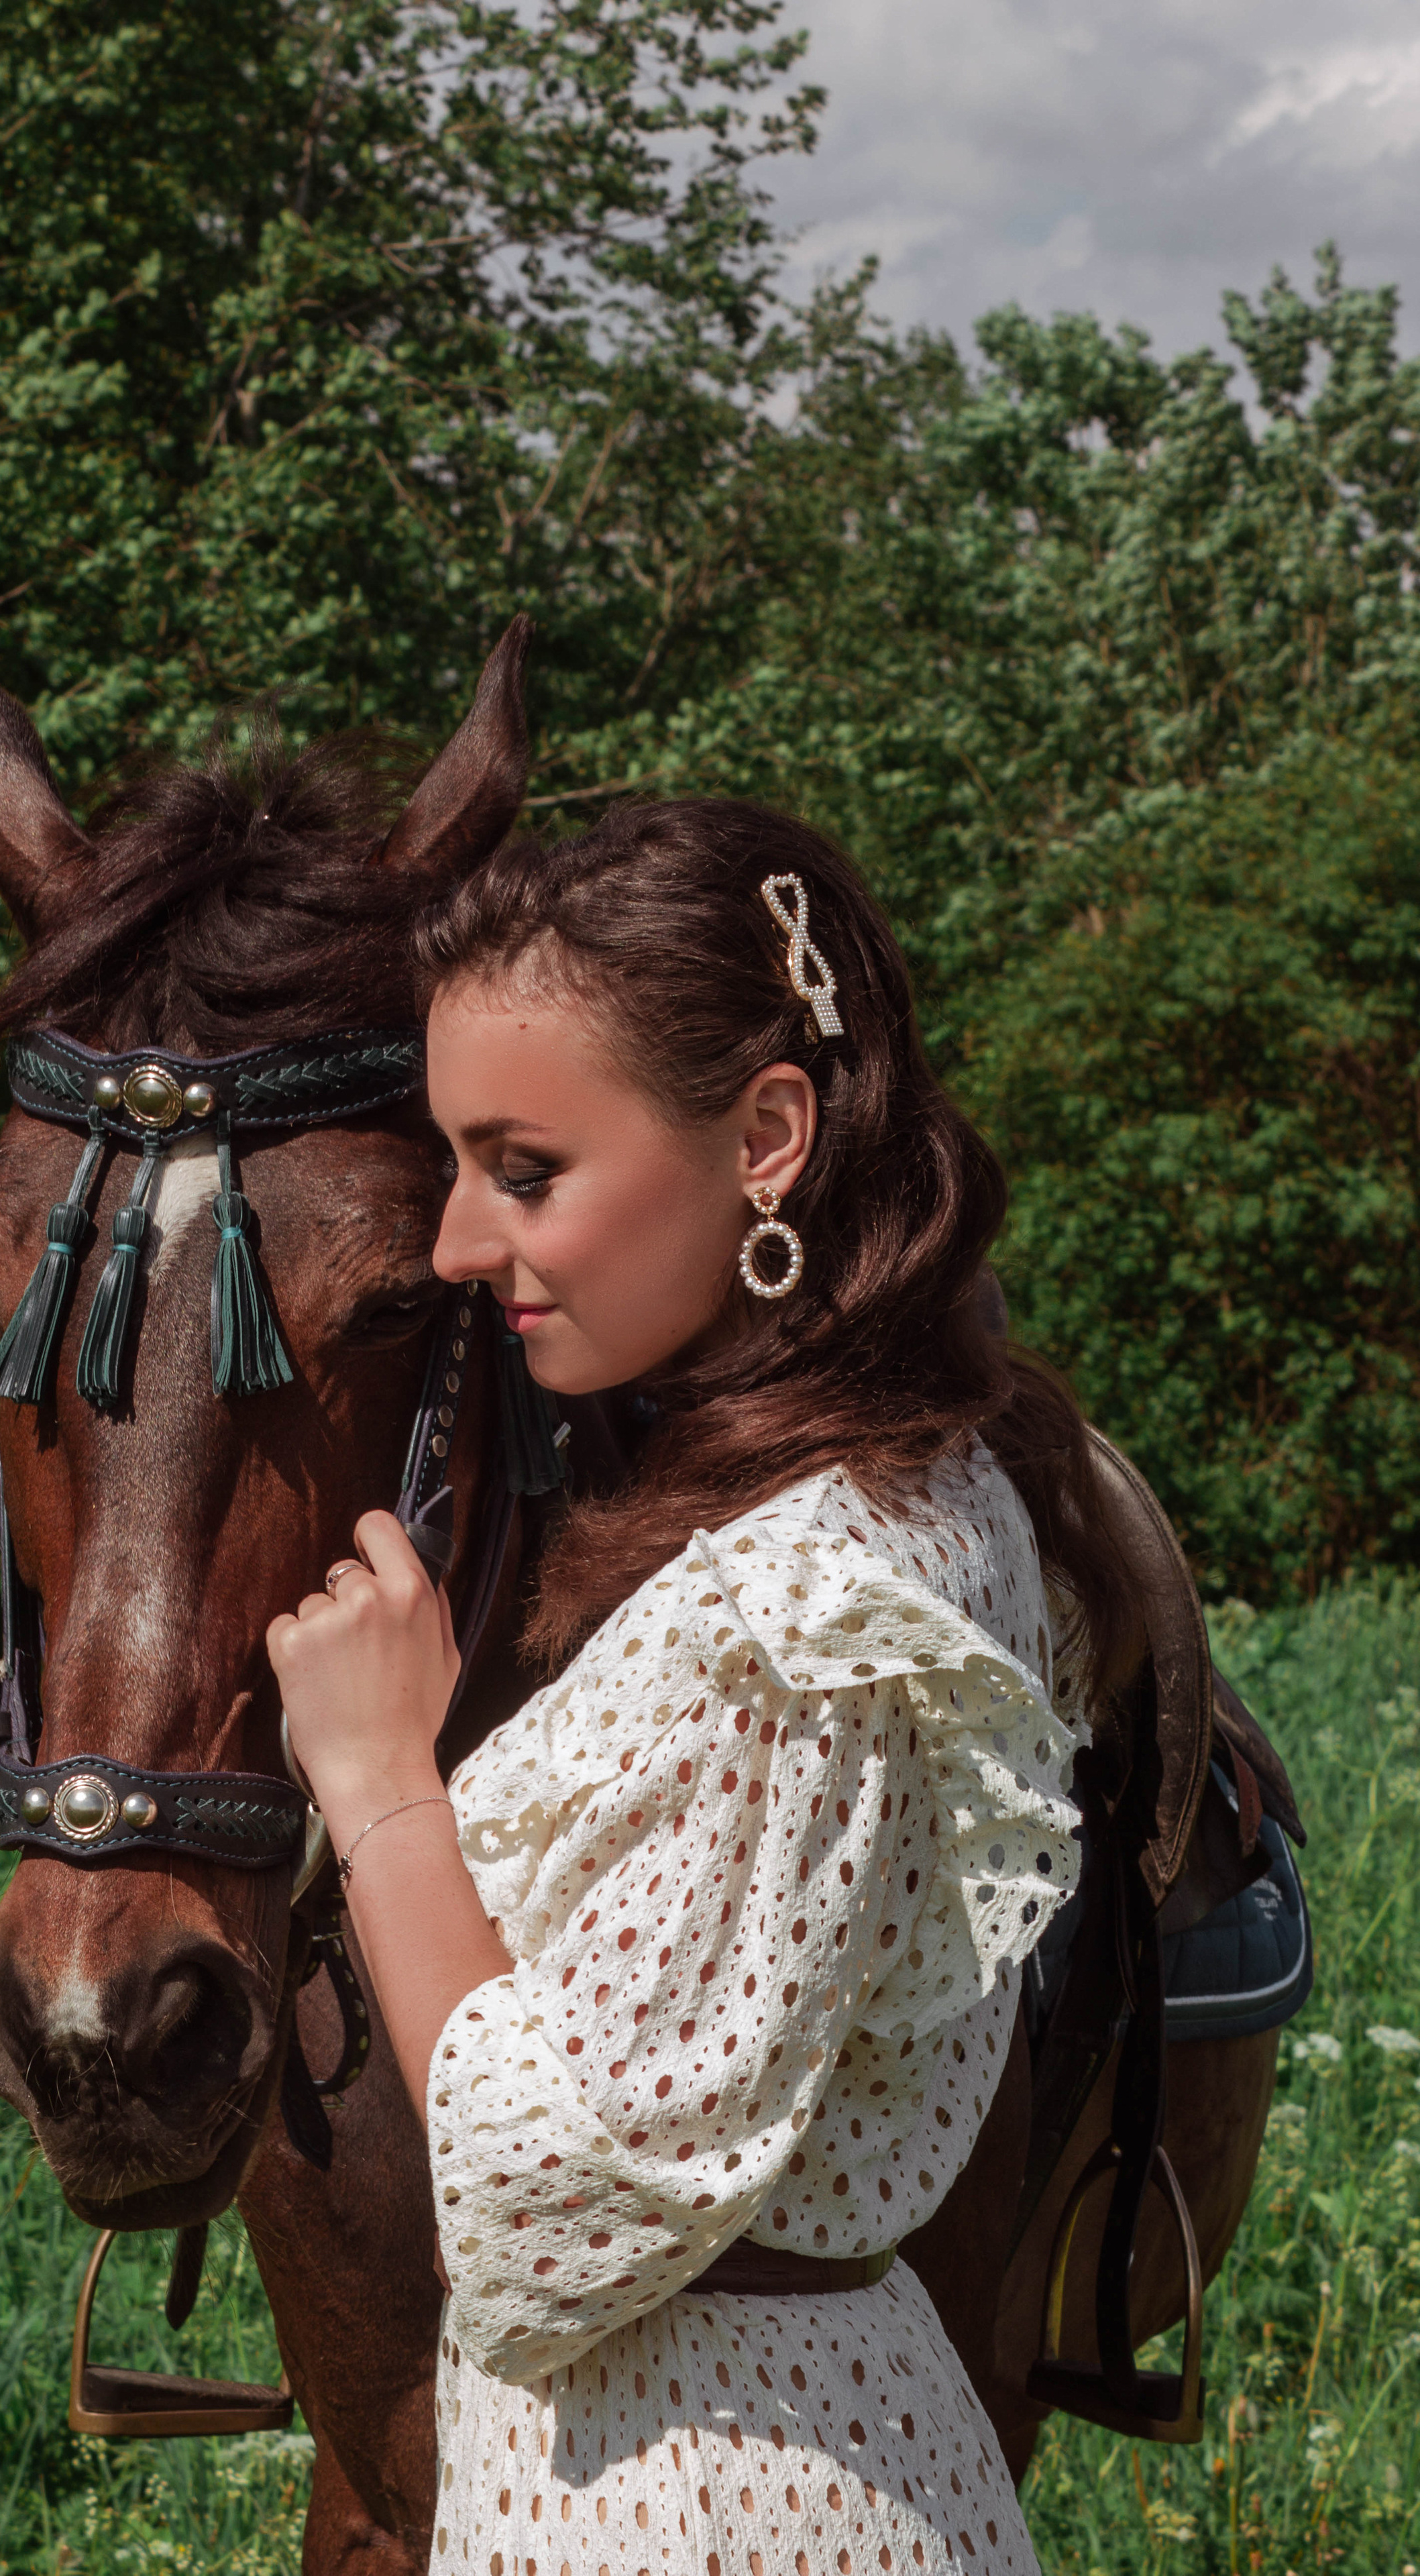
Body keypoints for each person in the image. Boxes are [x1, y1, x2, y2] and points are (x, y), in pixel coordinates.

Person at [268, 796, 1138, 2576]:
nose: (455, 1245)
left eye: (524, 1170)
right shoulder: (894, 1498)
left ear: (764, 1136)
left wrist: (379, 1784)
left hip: (709, 2495)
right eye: (452, 1167)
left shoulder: (806, 1612)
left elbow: (548, 2210)